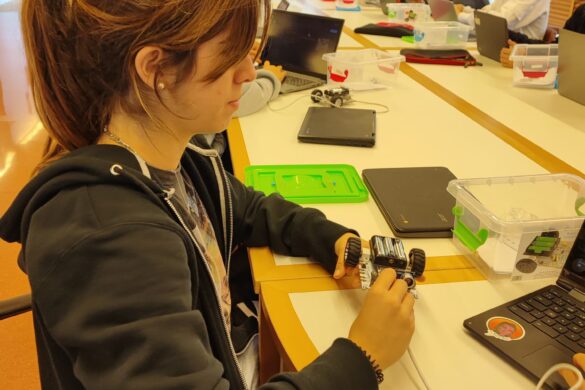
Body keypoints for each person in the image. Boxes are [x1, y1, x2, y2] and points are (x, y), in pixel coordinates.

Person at [0, 1, 416, 389]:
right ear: (155, 68)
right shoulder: (112, 239)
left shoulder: (172, 158)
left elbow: (245, 208)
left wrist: (328, 238)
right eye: (230, 55)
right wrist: (364, 356)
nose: (250, 73)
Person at [500, 4, 585, 68]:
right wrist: (525, 51)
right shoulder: (581, 12)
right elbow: (557, 49)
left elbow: (574, 65)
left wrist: (526, 62)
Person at [455, 0, 551, 42]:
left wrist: (461, 15)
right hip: (498, 47)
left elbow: (499, 21)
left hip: (519, 57)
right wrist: (465, 10)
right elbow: (492, 10)